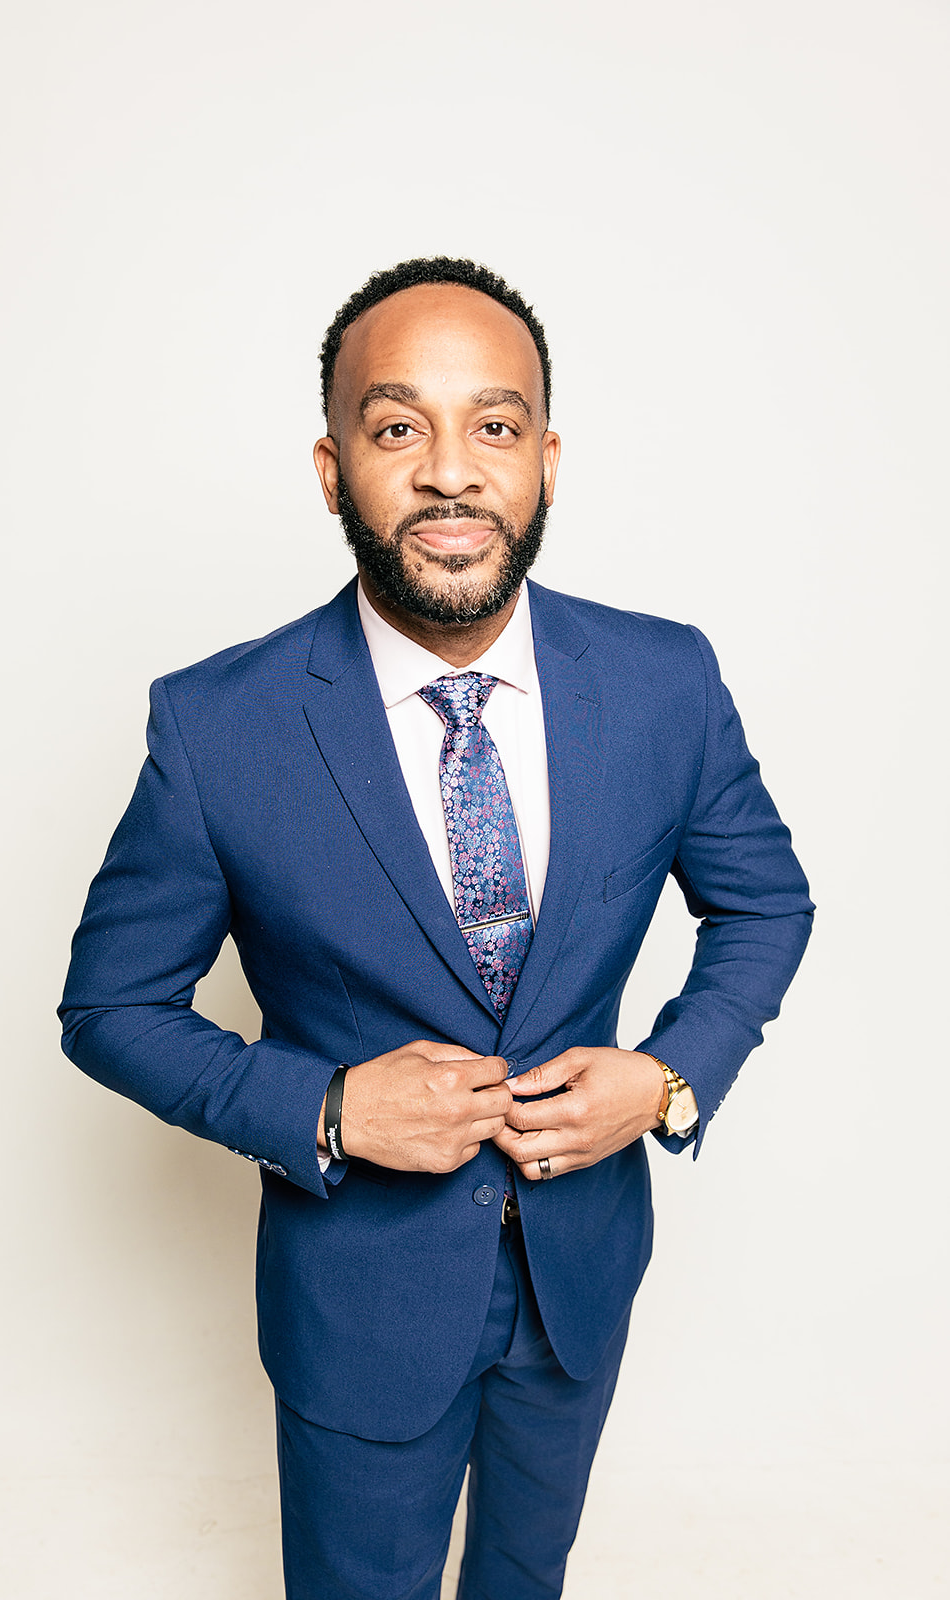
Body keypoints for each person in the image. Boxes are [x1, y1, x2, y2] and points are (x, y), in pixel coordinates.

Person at [59, 256, 813, 1599]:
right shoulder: (218, 727)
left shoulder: (665, 681)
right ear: (333, 468)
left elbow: (766, 901)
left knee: (528, 1576)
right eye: (399, 427)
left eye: (496, 426)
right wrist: (330, 1107)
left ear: (547, 461)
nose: (451, 473)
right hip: (360, 1298)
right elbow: (110, 1009)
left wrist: (665, 1077)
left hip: (580, 1275)